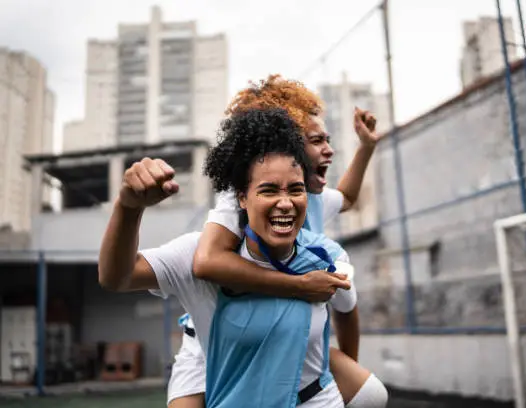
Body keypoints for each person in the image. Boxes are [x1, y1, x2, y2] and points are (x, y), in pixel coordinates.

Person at [98, 75, 388, 408]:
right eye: (314, 138)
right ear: (242, 197)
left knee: (372, 395)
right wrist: (128, 208)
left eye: (294, 189)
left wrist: (366, 147)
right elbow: (194, 264)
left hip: (303, 382)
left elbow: (348, 203)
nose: (327, 148)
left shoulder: (324, 248)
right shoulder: (214, 234)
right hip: (205, 351)